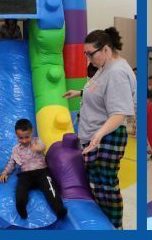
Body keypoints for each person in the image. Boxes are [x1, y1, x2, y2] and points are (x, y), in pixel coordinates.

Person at [61, 28, 136, 229]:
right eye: (85, 54)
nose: (88, 58)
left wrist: (99, 135)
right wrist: (79, 92)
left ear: (105, 49)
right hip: (97, 136)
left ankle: (113, 227)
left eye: (90, 54)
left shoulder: (117, 73)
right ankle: (99, 224)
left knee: (106, 187)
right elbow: (99, 91)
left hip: (107, 137)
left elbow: (120, 112)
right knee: (97, 185)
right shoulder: (105, 66)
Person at [0, 118, 68, 222]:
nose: (24, 140)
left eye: (27, 137)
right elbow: (11, 163)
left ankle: (59, 209)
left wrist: (38, 148)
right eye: (21, 138)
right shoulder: (16, 149)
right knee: (20, 190)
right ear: (16, 136)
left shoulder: (37, 141)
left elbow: (43, 147)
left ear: (32, 132)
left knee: (51, 188)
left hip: (42, 172)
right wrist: (4, 173)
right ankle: (21, 208)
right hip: (26, 175)